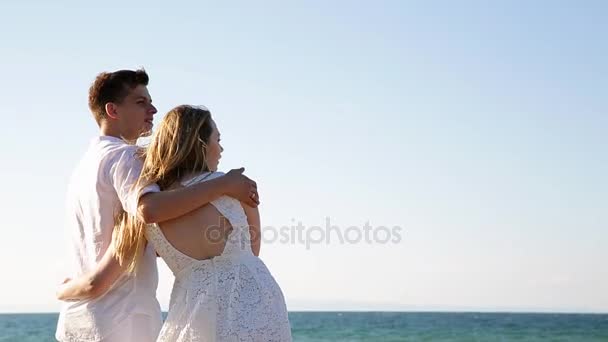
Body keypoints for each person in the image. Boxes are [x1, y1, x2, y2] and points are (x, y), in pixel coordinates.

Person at [55, 70, 259, 342]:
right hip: (122, 321)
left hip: (80, 322)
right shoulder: (125, 157)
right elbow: (148, 211)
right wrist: (225, 185)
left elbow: (138, 240)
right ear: (112, 110)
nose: (153, 110)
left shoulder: (83, 168)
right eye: (141, 102)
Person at [122, 104, 291, 341]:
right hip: (254, 305)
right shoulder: (234, 187)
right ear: (200, 144)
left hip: (191, 313)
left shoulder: (149, 206)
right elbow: (253, 250)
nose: (221, 149)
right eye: (217, 139)